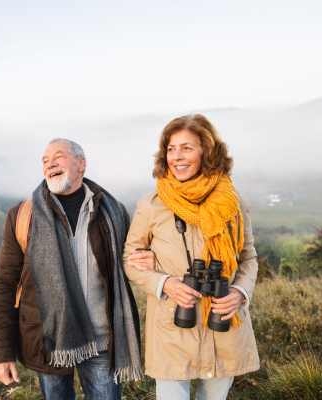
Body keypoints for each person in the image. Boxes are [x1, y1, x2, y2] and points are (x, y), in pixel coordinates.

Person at [0, 138, 151, 400]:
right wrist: (2, 353)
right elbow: (5, 284)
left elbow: (128, 265)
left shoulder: (113, 212)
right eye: (45, 161)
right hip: (50, 341)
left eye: (58, 157)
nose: (50, 164)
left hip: (102, 340)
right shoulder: (22, 216)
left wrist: (148, 261)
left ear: (81, 164)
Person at [122, 115, 259, 400]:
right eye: (171, 149)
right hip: (173, 323)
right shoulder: (150, 206)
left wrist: (240, 292)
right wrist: (165, 284)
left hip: (223, 321)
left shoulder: (233, 202)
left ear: (207, 152)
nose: (176, 157)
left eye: (187, 148)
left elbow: (248, 258)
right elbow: (130, 261)